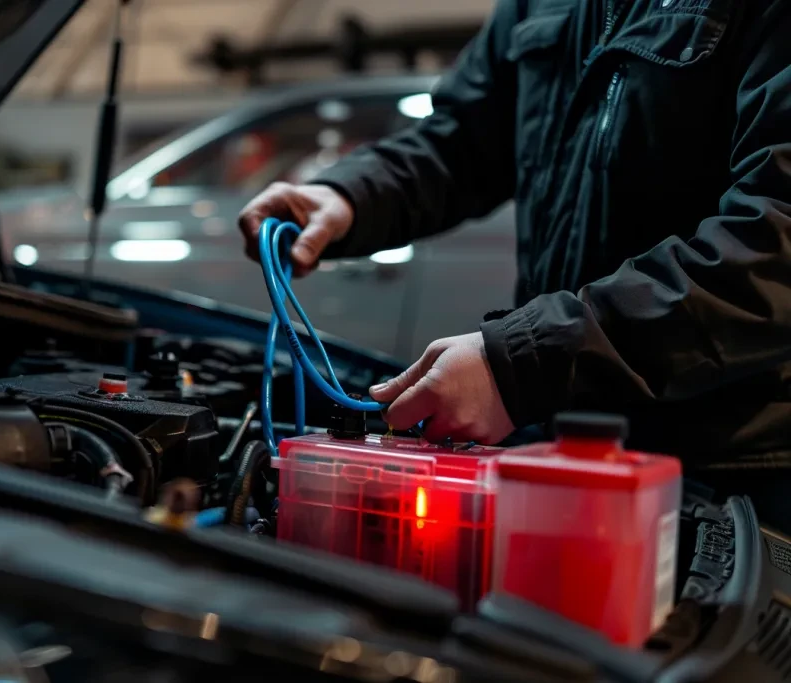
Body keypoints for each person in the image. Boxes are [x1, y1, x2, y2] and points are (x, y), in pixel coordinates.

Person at [238, 0, 791, 528]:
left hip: (731, 475)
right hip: (557, 436)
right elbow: (466, 139)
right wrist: (353, 195)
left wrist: (530, 362)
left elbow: (777, 241)